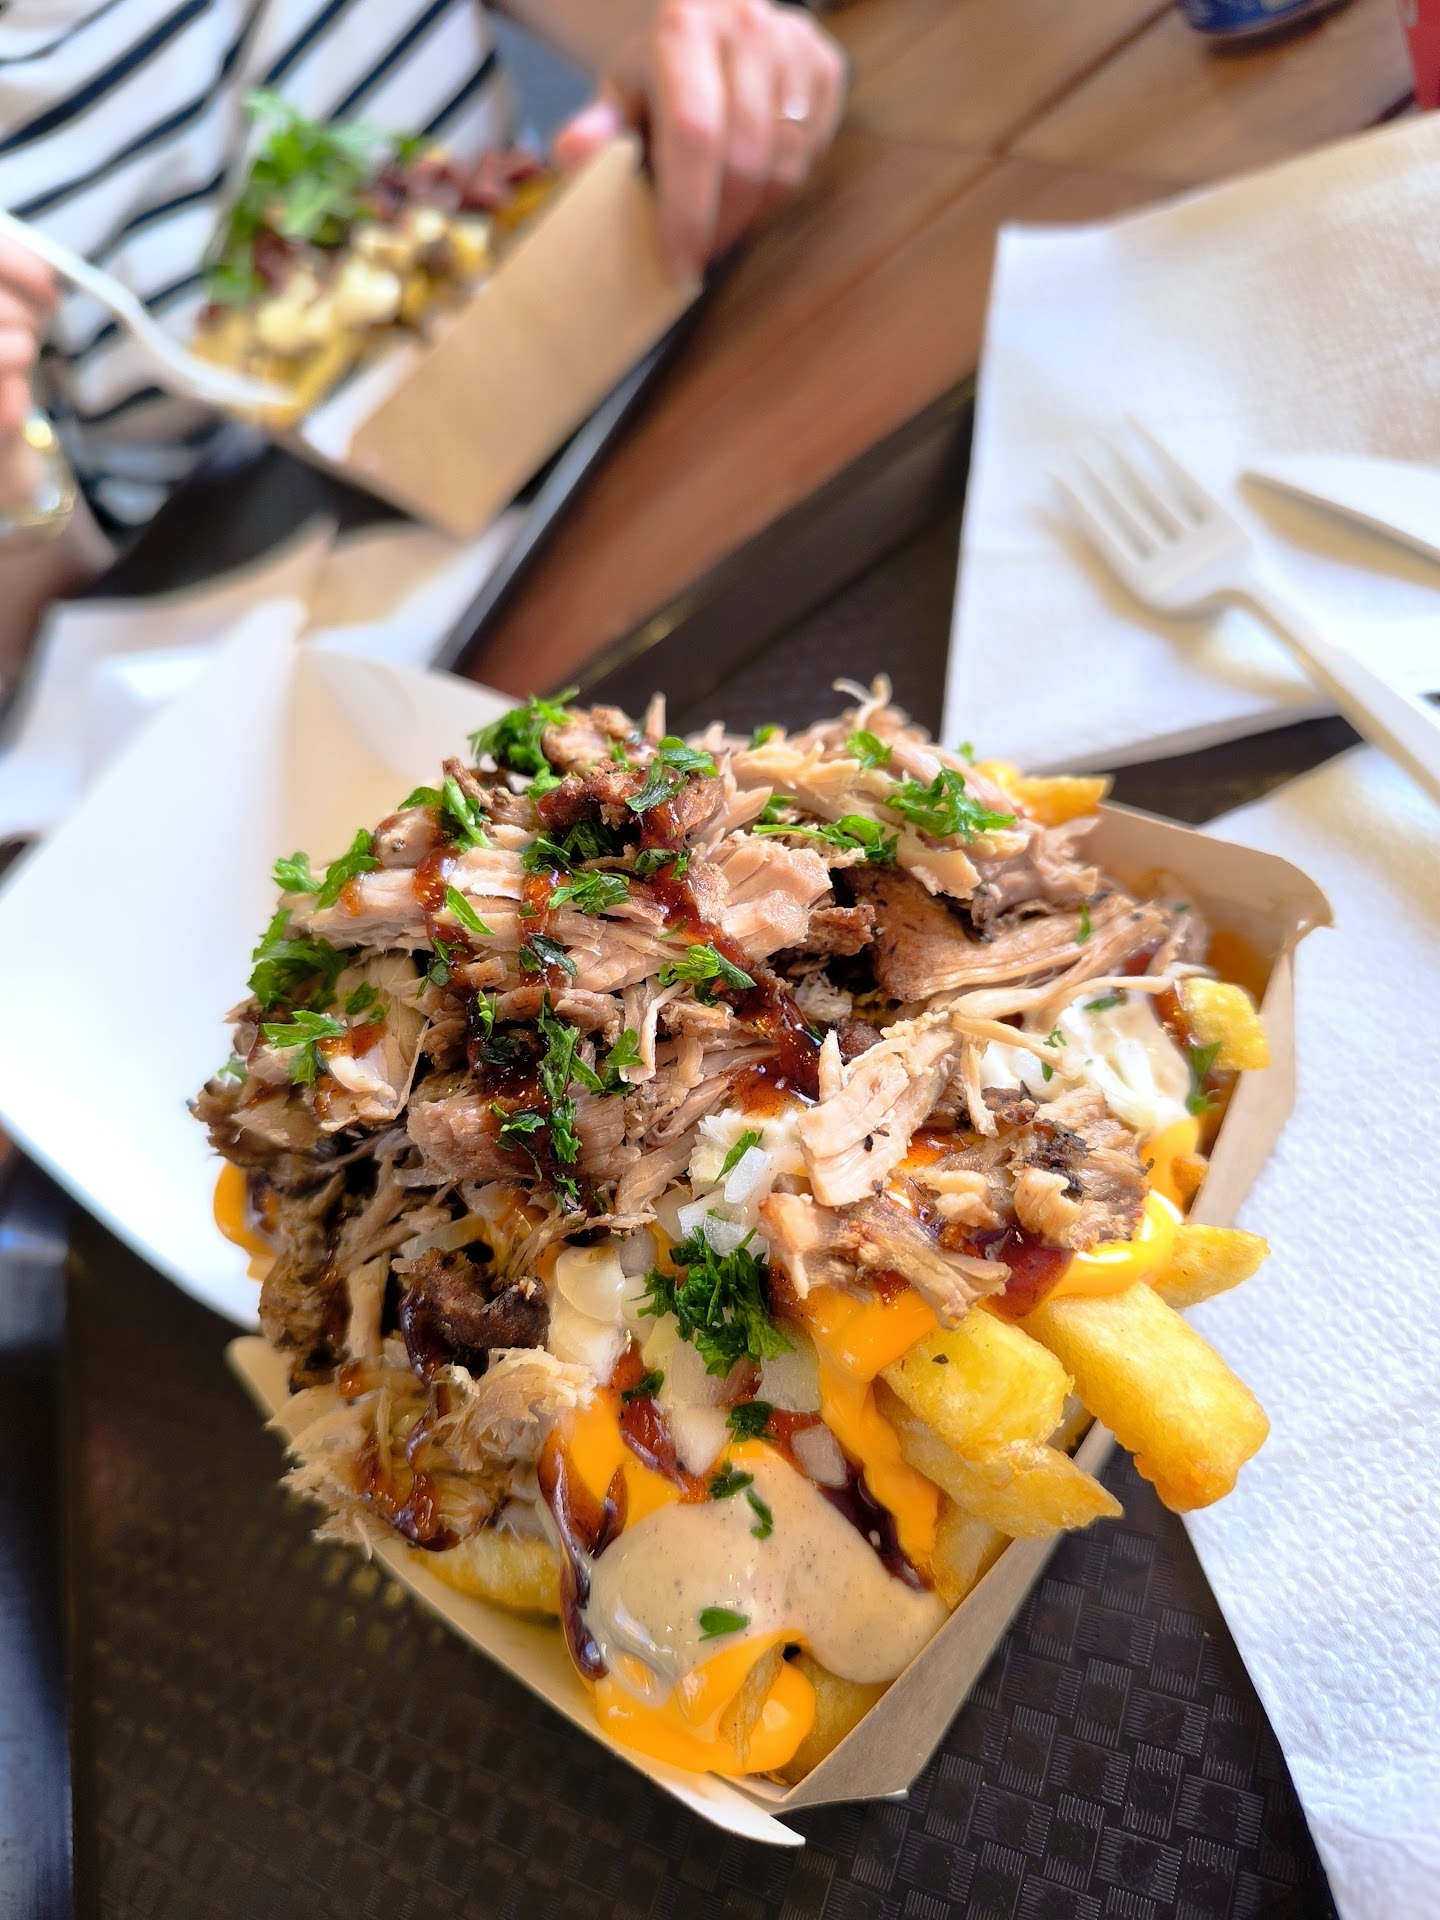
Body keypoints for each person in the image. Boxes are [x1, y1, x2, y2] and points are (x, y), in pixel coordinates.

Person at [0, 0, 846, 687]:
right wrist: (11, 468)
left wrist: (716, 61)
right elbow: (35, 657)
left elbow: (656, 28)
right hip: (275, 658)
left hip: (656, 393)